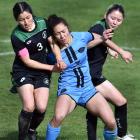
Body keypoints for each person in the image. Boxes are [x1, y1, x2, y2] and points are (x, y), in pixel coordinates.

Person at [45, 14, 120, 140]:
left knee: (111, 122)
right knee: (58, 117)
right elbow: (52, 42)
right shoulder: (54, 46)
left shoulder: (81, 36)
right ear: (53, 35)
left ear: (68, 28)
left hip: (88, 89)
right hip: (69, 90)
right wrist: (58, 59)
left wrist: (107, 43)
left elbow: (100, 38)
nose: (62, 36)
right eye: (58, 34)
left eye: (64, 31)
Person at [11, 2, 65, 140]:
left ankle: (31, 131)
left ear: (32, 15)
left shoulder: (42, 23)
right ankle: (22, 138)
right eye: (21, 20)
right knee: (29, 106)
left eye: (28, 17)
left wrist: (58, 58)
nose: (26, 22)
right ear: (17, 20)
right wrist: (52, 68)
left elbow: (52, 42)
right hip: (23, 71)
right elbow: (27, 61)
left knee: (41, 108)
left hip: (41, 72)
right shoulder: (16, 36)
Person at [86, 4, 135, 140]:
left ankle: (120, 135)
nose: (115, 22)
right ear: (105, 15)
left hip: (94, 75)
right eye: (113, 18)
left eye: (118, 20)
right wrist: (121, 51)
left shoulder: (105, 27)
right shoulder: (98, 27)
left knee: (117, 103)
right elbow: (99, 38)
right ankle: (121, 135)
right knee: (98, 109)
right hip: (89, 76)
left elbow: (100, 42)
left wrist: (109, 50)